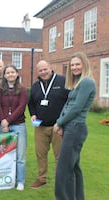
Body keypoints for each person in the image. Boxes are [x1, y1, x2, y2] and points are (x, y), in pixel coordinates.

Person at [53, 52, 96, 200]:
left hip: (76, 128)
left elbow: (77, 107)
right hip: (71, 127)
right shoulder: (78, 83)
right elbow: (68, 104)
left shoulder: (87, 82)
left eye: (77, 64)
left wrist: (59, 123)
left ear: (84, 64)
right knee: (73, 169)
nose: (74, 67)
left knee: (63, 171)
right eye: (72, 65)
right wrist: (61, 122)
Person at [28, 60, 69, 189]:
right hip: (40, 127)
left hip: (58, 126)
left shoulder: (63, 81)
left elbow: (70, 102)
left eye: (45, 69)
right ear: (38, 72)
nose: (43, 72)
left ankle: (60, 181)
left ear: (51, 68)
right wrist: (33, 114)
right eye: (40, 70)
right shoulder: (35, 86)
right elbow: (31, 103)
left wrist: (63, 122)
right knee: (40, 154)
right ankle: (42, 178)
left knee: (60, 156)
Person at [0, 64, 27, 191]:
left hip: (18, 125)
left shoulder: (23, 90)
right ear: (4, 75)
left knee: (20, 156)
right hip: (2, 126)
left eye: (12, 72)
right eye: (8, 73)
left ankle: (20, 181)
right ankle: (6, 179)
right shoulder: (0, 89)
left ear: (17, 74)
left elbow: (21, 107)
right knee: (4, 154)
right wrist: (3, 121)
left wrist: (7, 121)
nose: (10, 75)